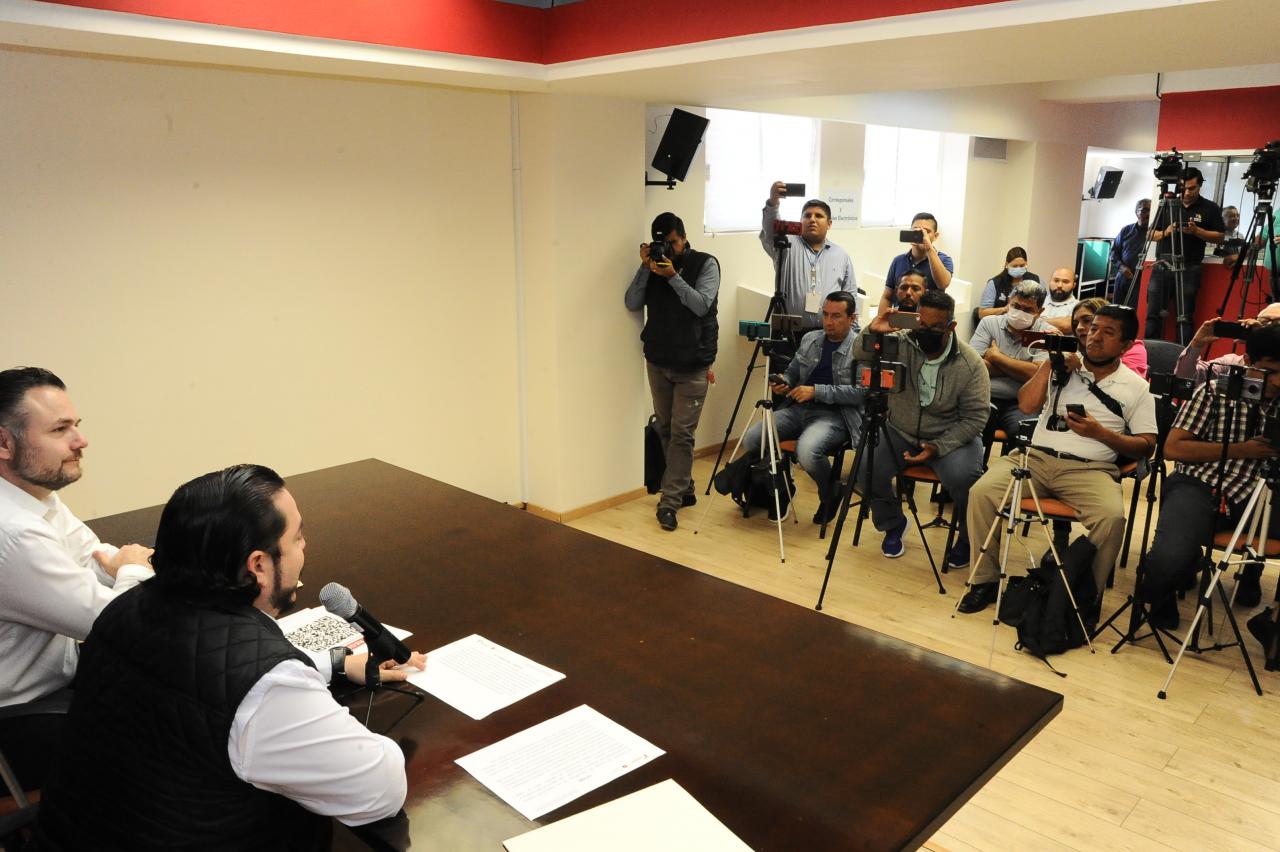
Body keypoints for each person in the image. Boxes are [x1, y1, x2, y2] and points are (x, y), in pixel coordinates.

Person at [33, 464, 427, 850]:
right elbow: (379, 792)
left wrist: (330, 664)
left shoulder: (125, 607)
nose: (304, 548)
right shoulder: (269, 689)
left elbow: (197, 680)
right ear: (258, 565)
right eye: (297, 538)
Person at [0, 367, 155, 789]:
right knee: (183, 725)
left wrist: (125, 570)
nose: (80, 441)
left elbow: (97, 561)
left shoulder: (36, 497)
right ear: (4, 443)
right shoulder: (12, 531)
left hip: (61, 682)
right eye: (60, 429)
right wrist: (135, 569)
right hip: (18, 722)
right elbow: (121, 625)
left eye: (76, 425)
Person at [959, 306, 1158, 614]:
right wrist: (1049, 367)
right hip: (1034, 459)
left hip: (1090, 470)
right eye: (1094, 328)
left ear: (1126, 345)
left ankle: (1083, 600)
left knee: (1112, 519)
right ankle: (984, 580)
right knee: (981, 493)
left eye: (1108, 333)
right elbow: (1027, 405)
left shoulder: (1136, 387)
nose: (1095, 337)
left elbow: (1146, 445)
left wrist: (1100, 433)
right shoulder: (1063, 367)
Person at [1139, 325, 1280, 630]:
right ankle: (1167, 586)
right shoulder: (1214, 391)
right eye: (1270, 371)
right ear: (1248, 361)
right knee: (1167, 561)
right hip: (1202, 484)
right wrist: (1243, 450)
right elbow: (1173, 448)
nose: (1277, 381)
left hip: (1267, 491)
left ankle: (1268, 614)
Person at [855, 290, 990, 568]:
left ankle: (968, 539)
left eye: (935, 327)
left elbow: (976, 418)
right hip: (901, 430)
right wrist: (874, 329)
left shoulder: (970, 363)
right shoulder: (901, 342)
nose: (925, 332)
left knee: (966, 481)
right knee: (864, 467)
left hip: (951, 436)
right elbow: (858, 354)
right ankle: (893, 523)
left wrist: (938, 447)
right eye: (922, 324)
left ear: (951, 326)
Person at [625, 211, 720, 532]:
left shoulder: (706, 264)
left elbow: (701, 305)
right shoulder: (653, 265)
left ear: (684, 237)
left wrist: (673, 276)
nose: (669, 249)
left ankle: (669, 501)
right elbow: (632, 302)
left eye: (673, 243)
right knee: (664, 428)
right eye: (663, 244)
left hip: (693, 364)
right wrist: (645, 267)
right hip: (658, 360)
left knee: (682, 434)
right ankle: (685, 488)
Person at [739, 292, 864, 523]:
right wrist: (784, 382)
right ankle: (782, 488)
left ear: (852, 318)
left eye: (836, 316)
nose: (828, 321)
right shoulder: (811, 339)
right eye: (825, 314)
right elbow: (793, 372)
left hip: (836, 416)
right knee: (753, 439)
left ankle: (830, 494)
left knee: (807, 452)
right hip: (799, 409)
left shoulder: (860, 348)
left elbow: (860, 393)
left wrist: (816, 391)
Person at [761, 182, 856, 334]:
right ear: (801, 221)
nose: (812, 219)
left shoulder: (841, 255)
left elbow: (850, 295)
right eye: (807, 216)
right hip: (790, 333)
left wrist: (852, 332)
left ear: (829, 223)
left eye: (819, 216)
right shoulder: (785, 246)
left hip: (828, 333)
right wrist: (773, 203)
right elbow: (770, 230)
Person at [1146, 168, 1226, 342]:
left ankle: (1183, 355)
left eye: (1192, 188)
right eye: (1183, 188)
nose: (1187, 192)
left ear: (1200, 186)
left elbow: (1220, 237)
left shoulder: (1210, 207)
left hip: (1190, 266)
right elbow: (1150, 235)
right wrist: (1167, 232)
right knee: (1153, 315)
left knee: (1185, 317)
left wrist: (1197, 231)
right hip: (1162, 265)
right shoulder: (1167, 204)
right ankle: (1149, 353)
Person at [969, 281, 1055, 436]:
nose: (1020, 312)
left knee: (1025, 432)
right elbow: (973, 366)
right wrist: (1023, 368)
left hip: (1021, 404)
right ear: (1009, 302)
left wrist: (997, 358)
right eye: (1016, 306)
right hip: (984, 397)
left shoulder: (1047, 334)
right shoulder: (989, 323)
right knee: (970, 428)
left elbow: (1037, 374)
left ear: (1040, 311)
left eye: (1028, 310)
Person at [1174, 304, 1280, 386]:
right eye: (1265, 323)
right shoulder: (1231, 363)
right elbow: (1184, 379)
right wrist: (1196, 344)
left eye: (1276, 325)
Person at [878, 212, 953, 314]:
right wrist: (881, 319)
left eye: (926, 231)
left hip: (928, 319)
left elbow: (943, 284)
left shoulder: (944, 260)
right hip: (901, 317)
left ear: (935, 236)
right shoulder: (898, 260)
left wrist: (928, 248)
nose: (920, 235)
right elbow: (887, 296)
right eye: (915, 230)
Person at [1073, 297, 1148, 378]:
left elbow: (1121, 381)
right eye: (1075, 323)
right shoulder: (1077, 352)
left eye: (1087, 321)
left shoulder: (1134, 348)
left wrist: (1079, 366)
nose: (1078, 328)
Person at [976, 247, 1041, 320]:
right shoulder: (995, 283)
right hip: (1000, 323)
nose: (1018, 268)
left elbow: (1043, 309)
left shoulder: (1036, 281)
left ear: (1026, 263)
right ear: (1007, 264)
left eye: (1022, 265)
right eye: (1015, 266)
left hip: (1027, 322)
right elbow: (982, 314)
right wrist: (1005, 309)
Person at [1110, 199, 1150, 306]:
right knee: (1116, 309)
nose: (1148, 214)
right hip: (1123, 276)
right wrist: (1122, 267)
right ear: (1136, 212)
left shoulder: (1155, 233)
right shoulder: (1126, 230)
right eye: (1144, 210)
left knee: (1133, 310)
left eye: (1150, 210)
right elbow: (1113, 253)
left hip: (1141, 280)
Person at [1040, 267, 1080, 333]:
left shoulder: (1079, 306)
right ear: (1050, 282)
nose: (1059, 285)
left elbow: (1067, 325)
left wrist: (1036, 320)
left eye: (1065, 282)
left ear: (1074, 285)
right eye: (1056, 281)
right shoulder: (1038, 301)